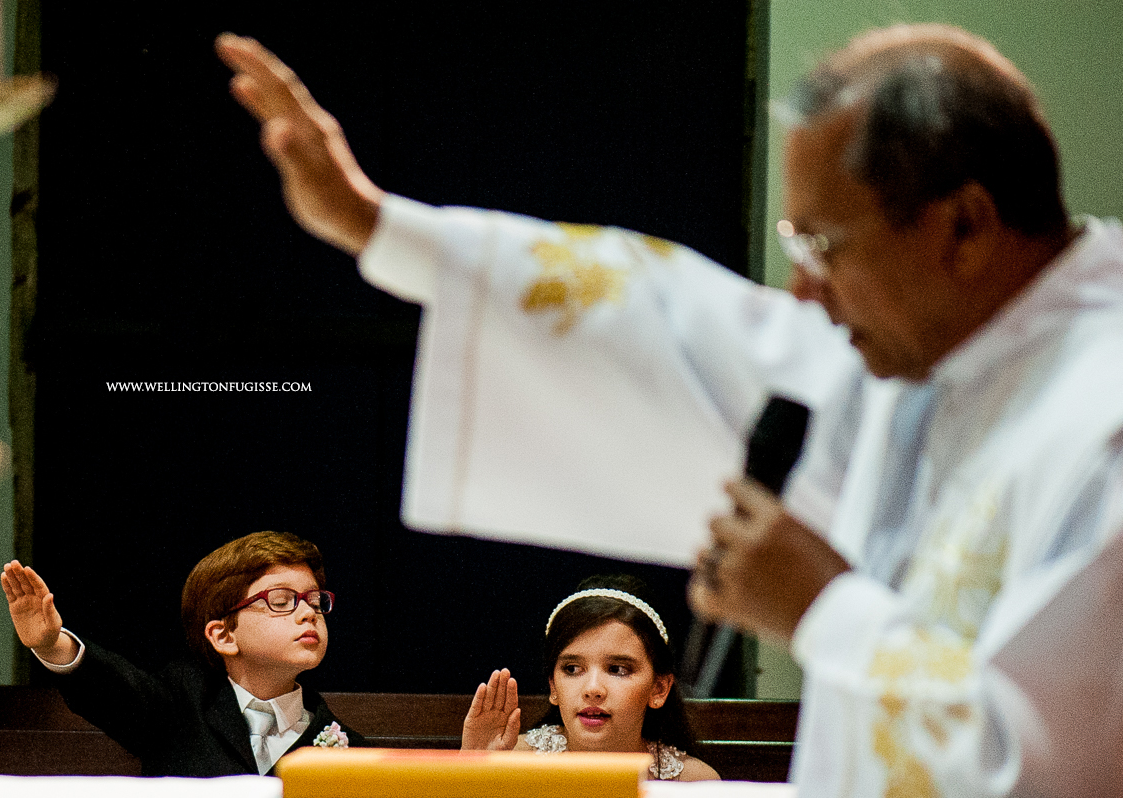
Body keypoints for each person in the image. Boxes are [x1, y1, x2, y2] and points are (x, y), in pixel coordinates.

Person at [215, 22, 1123, 797]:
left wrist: (821, 607)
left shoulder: (1100, 416)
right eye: (792, 242)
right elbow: (676, 321)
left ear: (963, 226)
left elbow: (1050, 762)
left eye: (825, 244)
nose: (805, 293)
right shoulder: (925, 346)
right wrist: (378, 225)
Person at [0, 531, 364, 777]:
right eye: (281, 601)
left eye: (315, 601)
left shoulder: (348, 748)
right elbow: (111, 690)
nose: (308, 613)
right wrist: (51, 644)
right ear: (222, 635)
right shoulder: (177, 707)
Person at [461, 576, 719, 781]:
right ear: (553, 686)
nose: (592, 689)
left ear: (659, 689)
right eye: (572, 669)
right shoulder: (510, 759)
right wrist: (470, 775)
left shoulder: (694, 782)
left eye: (617, 669)